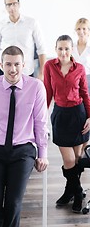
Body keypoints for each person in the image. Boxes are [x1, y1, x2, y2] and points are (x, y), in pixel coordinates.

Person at [0, 45, 49, 226]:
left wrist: (43, 154)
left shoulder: (36, 87)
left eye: (17, 64)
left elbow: (41, 123)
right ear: (0, 65)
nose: (13, 69)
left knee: (13, 202)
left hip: (23, 150)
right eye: (8, 64)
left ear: (24, 65)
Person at [44, 35, 90, 213]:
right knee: (69, 159)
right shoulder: (49, 66)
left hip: (78, 115)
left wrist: (89, 117)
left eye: (67, 49)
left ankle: (69, 190)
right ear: (55, 49)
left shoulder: (79, 68)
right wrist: (41, 118)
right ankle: (78, 193)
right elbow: (47, 93)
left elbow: (85, 94)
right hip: (61, 115)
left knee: (77, 159)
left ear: (72, 50)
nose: (63, 52)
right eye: (60, 48)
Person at [0, 0, 46, 80]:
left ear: (19, 5)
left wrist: (42, 72)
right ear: (5, 7)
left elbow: (41, 48)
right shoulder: (0, 25)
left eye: (14, 4)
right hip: (6, 72)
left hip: (27, 70)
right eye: (8, 5)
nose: (12, 7)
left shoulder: (32, 22)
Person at [72, 18, 90, 92]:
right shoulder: (71, 47)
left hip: (88, 79)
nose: (81, 31)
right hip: (74, 79)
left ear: (88, 31)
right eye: (78, 29)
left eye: (84, 29)